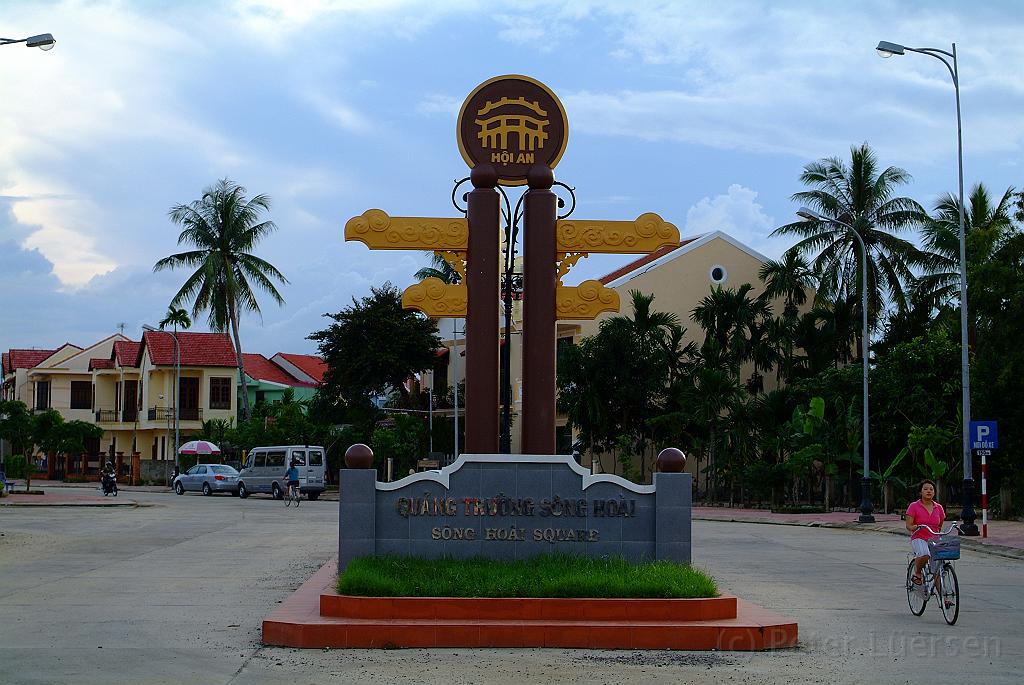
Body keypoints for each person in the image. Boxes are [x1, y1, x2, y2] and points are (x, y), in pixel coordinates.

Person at [905, 479, 944, 589]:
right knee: (924, 553)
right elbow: (908, 525)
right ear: (920, 492)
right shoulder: (914, 506)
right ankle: (917, 573)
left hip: (934, 538)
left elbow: (940, 524)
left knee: (937, 568)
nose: (929, 491)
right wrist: (914, 527)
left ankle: (944, 598)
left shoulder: (939, 508)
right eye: (925, 489)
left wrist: (937, 533)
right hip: (919, 537)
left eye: (931, 489)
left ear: (934, 492)